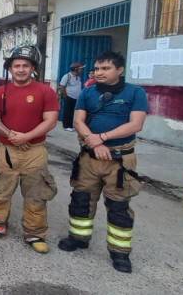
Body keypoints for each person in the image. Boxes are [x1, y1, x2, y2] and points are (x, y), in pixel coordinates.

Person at [57, 51, 147, 273]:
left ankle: (120, 253)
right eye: (97, 69)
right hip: (90, 156)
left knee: (118, 206)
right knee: (81, 199)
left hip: (119, 159)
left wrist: (104, 138)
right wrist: (95, 143)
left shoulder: (135, 93)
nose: (99, 72)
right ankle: (78, 238)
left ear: (120, 70)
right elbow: (78, 121)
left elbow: (136, 124)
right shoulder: (87, 93)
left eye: (105, 68)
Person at [0, 47, 59, 254]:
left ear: (33, 68)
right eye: (16, 65)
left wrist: (27, 136)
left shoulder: (45, 92)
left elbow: (50, 120)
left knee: (36, 193)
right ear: (10, 69)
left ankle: (35, 233)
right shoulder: (0, 92)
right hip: (7, 149)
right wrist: (12, 136)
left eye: (25, 65)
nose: (21, 69)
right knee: (1, 190)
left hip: (35, 150)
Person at [58, 62, 85, 131]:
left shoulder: (78, 77)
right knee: (67, 112)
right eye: (80, 69)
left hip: (76, 97)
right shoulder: (67, 76)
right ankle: (66, 126)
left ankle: (70, 125)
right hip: (69, 96)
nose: (81, 70)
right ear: (76, 69)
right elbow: (62, 86)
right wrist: (65, 96)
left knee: (72, 112)